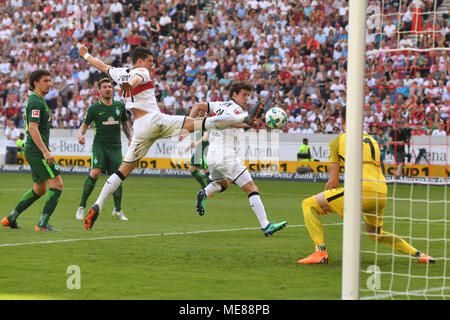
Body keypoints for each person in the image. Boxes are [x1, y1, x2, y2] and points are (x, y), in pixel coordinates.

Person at [78, 45, 262, 230]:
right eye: (150, 60)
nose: (152, 64)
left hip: (140, 128)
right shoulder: (142, 71)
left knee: (122, 171)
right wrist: (130, 84)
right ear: (140, 60)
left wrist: (85, 54)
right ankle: (245, 117)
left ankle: (98, 204)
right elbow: (136, 78)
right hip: (155, 120)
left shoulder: (118, 73)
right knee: (201, 122)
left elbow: (101, 65)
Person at [297, 107, 435, 264]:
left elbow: (333, 182)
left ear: (341, 121)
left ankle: (320, 252)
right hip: (381, 191)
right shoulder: (372, 139)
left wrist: (324, 201)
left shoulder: (337, 141)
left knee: (308, 204)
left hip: (361, 190)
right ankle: (419, 255)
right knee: (376, 234)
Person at [191, 81, 287, 237]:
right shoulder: (236, 109)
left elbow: (197, 106)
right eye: (243, 95)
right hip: (226, 156)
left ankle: (204, 192)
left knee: (223, 184)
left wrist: (189, 123)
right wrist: (247, 123)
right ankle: (266, 225)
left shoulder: (217, 104)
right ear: (234, 95)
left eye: (248, 95)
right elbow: (232, 122)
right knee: (252, 188)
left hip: (212, 156)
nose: (246, 98)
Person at [1, 69, 63, 231]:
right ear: (36, 83)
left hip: (34, 149)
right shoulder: (35, 101)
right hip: (37, 150)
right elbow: (33, 128)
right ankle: (42, 225)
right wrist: (45, 151)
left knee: (40, 189)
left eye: (50, 80)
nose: (49, 83)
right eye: (45, 81)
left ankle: (10, 218)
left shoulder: (39, 101)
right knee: (57, 184)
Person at [76, 78, 132, 221]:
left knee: (118, 177)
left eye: (109, 86)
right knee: (95, 173)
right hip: (99, 145)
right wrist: (80, 135)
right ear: (99, 91)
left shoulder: (120, 106)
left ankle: (118, 210)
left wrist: (131, 138)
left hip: (115, 147)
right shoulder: (94, 109)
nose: (108, 89)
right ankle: (81, 206)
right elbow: (83, 127)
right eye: (105, 87)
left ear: (112, 89)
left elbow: (125, 125)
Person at [184, 114, 212, 190]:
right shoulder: (198, 128)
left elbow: (205, 137)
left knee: (205, 169)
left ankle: (209, 189)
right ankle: (204, 187)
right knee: (192, 169)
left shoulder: (206, 126)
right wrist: (189, 147)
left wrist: (197, 143)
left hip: (204, 149)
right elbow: (198, 139)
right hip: (198, 151)